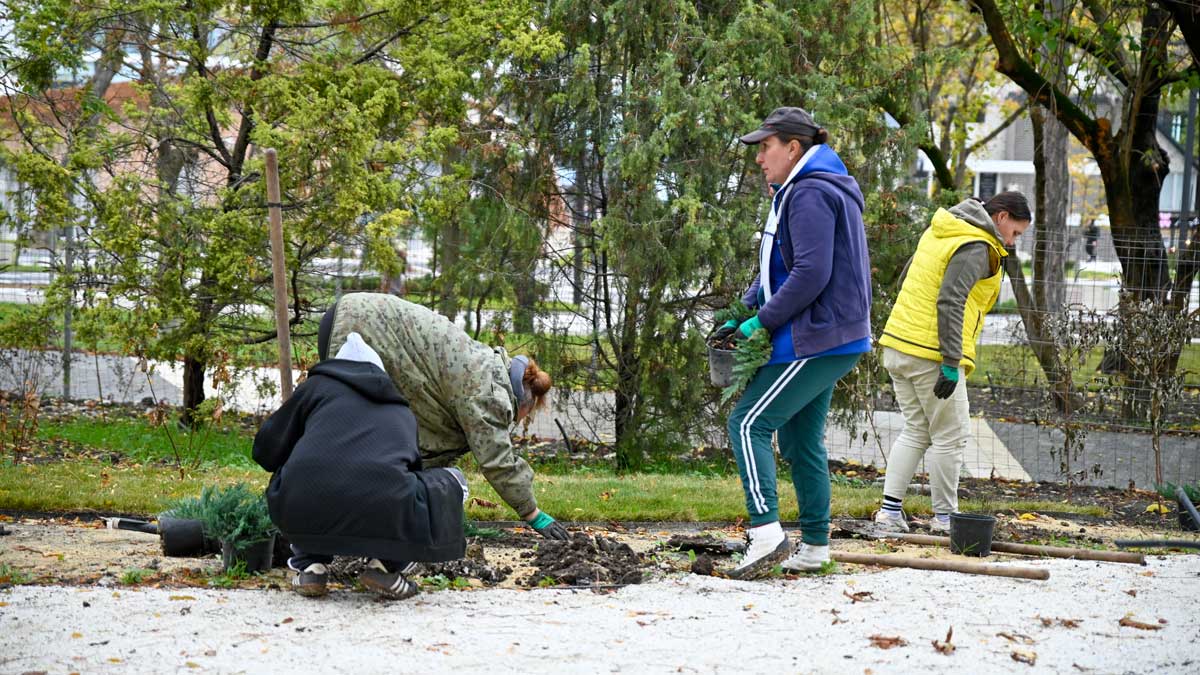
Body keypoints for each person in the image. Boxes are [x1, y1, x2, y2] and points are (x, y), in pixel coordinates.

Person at [715, 107, 873, 578]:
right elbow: (778, 268)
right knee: (801, 440)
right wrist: (741, 312)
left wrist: (760, 324)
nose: (759, 157)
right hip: (830, 334)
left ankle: (765, 536)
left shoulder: (807, 193)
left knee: (747, 424)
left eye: (766, 147)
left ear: (793, 147)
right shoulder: (802, 189)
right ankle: (816, 547)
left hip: (817, 336)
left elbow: (810, 274)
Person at [317, 292, 569, 540]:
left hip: (357, 315)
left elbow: (429, 431)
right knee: (350, 428)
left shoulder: (488, 368)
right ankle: (333, 515)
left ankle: (348, 514)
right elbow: (497, 460)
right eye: (526, 415)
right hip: (358, 328)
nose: (519, 420)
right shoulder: (490, 392)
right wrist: (533, 513)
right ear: (524, 401)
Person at [253, 332, 468, 599]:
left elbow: (266, 450)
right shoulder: (401, 409)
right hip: (385, 506)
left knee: (302, 478)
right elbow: (412, 470)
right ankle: (386, 565)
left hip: (302, 506)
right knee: (452, 480)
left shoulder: (314, 389)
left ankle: (311, 566)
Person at [874, 191, 1032, 533]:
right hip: (930, 353)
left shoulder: (943, 229)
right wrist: (949, 360)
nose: (1012, 241)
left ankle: (888, 514)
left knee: (916, 429)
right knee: (952, 435)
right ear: (1001, 217)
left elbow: (906, 282)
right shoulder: (977, 244)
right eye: (1015, 232)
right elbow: (950, 299)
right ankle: (945, 520)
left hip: (898, 343)